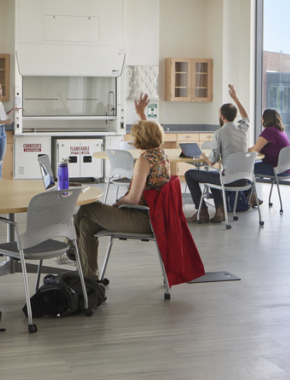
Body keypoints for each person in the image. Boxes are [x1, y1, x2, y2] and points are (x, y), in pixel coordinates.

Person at [73, 96, 167, 280]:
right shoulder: (160, 154)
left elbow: (133, 199)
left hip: (142, 217)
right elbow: (150, 133)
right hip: (154, 216)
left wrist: (117, 204)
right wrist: (141, 114)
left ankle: (69, 248)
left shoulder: (144, 161)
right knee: (86, 224)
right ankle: (90, 280)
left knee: (88, 207)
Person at [184, 83, 253, 223]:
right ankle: (220, 211)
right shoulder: (242, 129)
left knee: (189, 174)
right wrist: (236, 98)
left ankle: (202, 211)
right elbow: (246, 117)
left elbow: (211, 162)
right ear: (234, 116)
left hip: (228, 180)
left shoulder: (219, 133)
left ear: (222, 116)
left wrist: (202, 155)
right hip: (245, 179)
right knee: (215, 175)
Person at [249, 109, 290, 181]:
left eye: (262, 117)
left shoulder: (269, 131)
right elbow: (257, 148)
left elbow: (254, 150)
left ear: (265, 119)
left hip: (276, 169)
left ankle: (244, 188)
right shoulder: (280, 131)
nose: (261, 119)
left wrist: (242, 150)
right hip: (285, 169)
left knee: (244, 168)